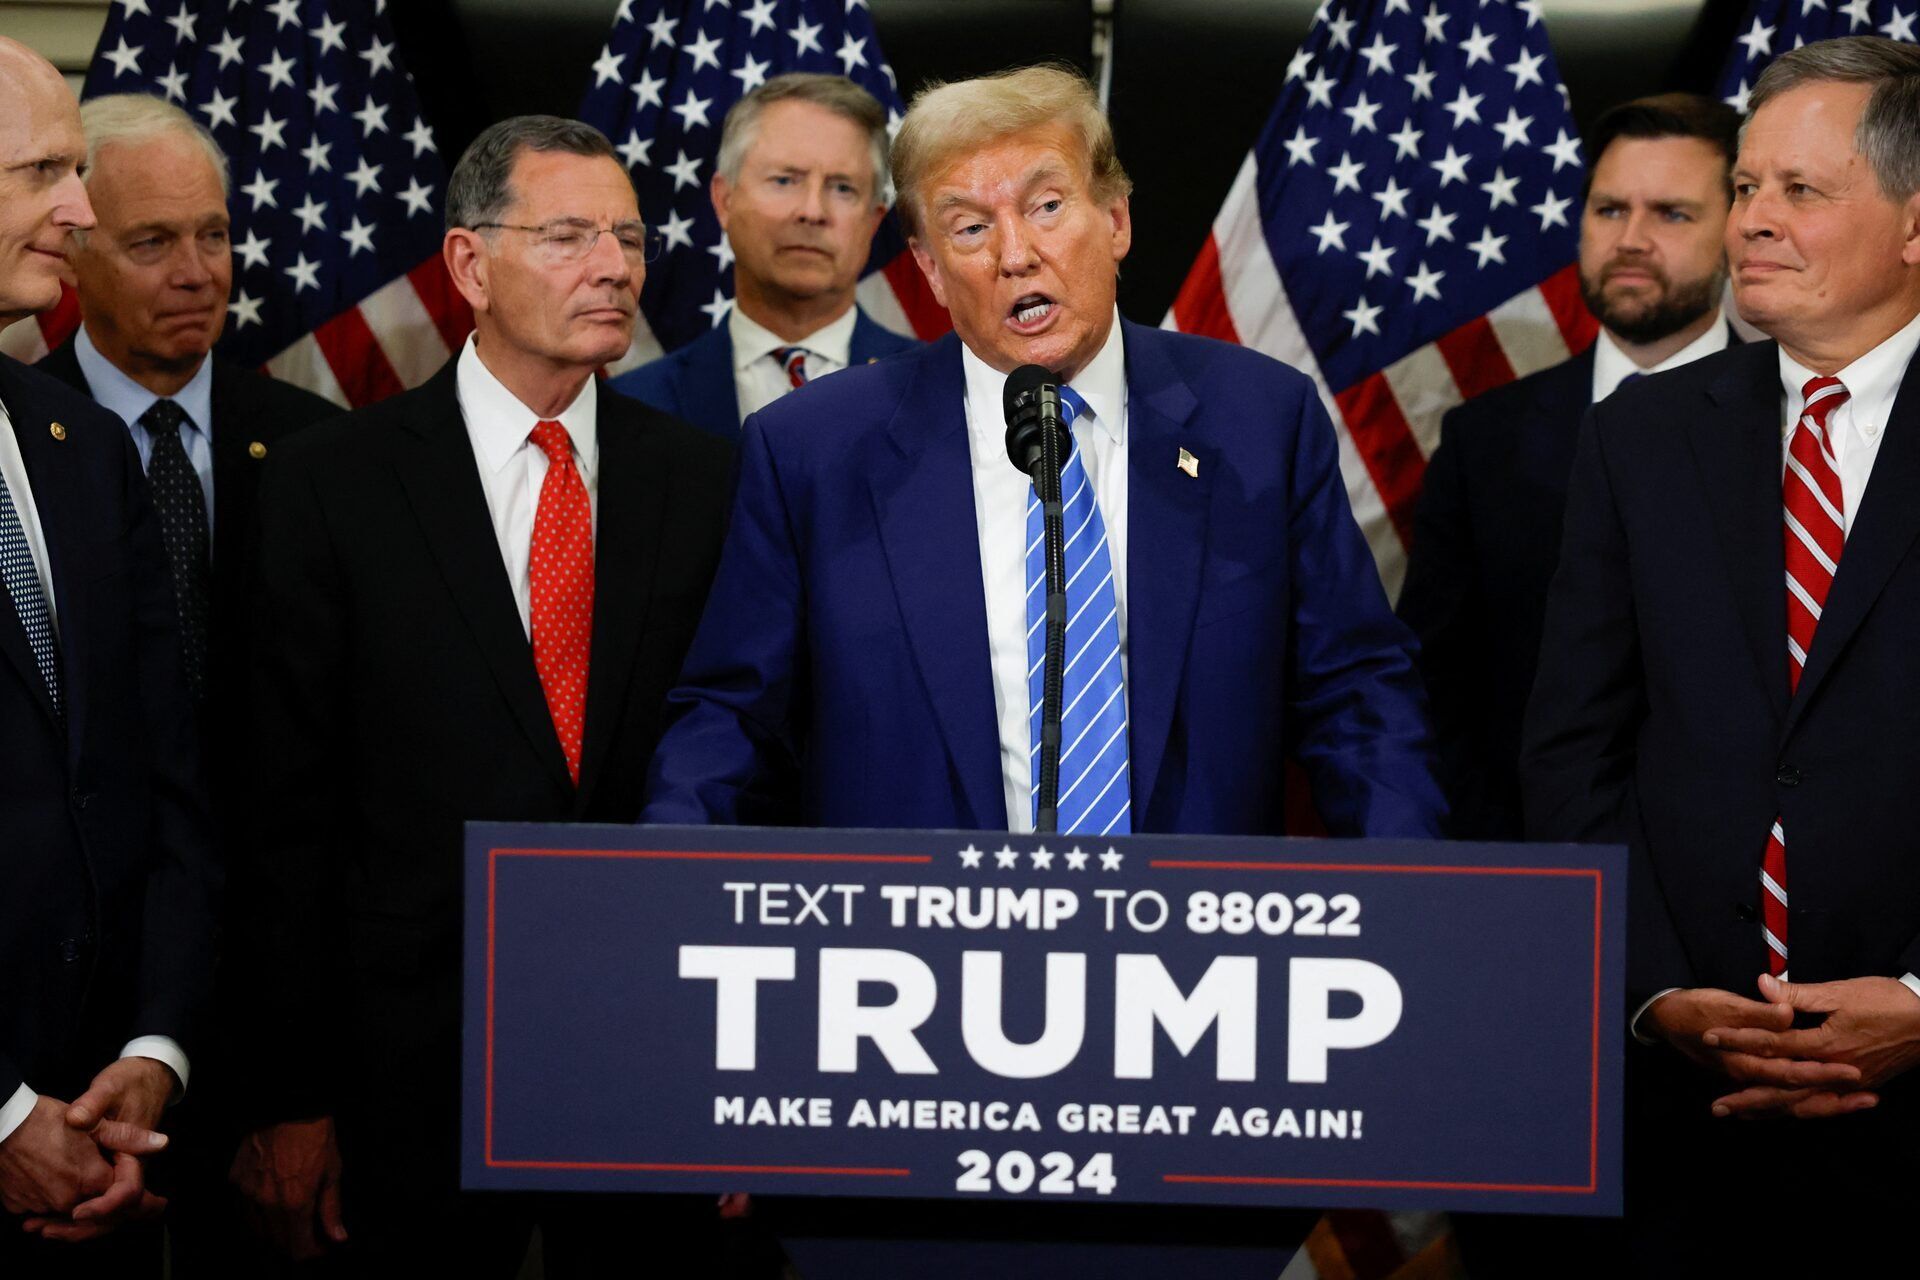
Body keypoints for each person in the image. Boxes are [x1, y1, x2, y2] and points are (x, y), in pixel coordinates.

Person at [644, 63, 1442, 842]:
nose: (1015, 254)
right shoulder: (813, 450)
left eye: (1048, 206)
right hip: (919, 944)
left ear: (1118, 220)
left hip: (1196, 942)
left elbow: (1355, 694)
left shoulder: (1260, 421)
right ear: (929, 268)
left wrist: (1418, 901)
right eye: (969, 228)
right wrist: (661, 888)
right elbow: (731, 716)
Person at [228, 116, 733, 1276]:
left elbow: (757, 773)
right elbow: (278, 820)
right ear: (468, 266)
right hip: (398, 1087)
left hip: (650, 1066)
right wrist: (293, 1100)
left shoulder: (708, 481)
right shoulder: (328, 486)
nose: (612, 264)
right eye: (567, 235)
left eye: (627, 236)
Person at [1523, 37, 1920, 1273]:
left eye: (1802, 191)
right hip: (1683, 1124)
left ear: (1916, 226)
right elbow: (1574, 747)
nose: (1754, 221)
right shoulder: (1641, 434)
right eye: (1747, 188)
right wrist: (1654, 993)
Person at [32, 92, 340, 1278]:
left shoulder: (326, 448)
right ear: (76, 247)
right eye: (153, 241)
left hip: (270, 1019)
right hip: (67, 1026)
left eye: (213, 235)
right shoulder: (26, 441)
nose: (197, 270)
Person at [0, 37, 218, 1277]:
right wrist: (3, 1113)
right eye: (43, 171)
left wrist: (155, 1049)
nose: (79, 210)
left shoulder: (79, 441)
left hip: (108, 1146)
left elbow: (165, 780)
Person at [1398, 93, 1741, 841]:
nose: (1632, 239)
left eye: (1673, 214)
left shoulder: (1799, 422)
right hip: (1528, 870)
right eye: (1610, 209)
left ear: (1736, 230)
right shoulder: (1484, 440)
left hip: (1755, 892)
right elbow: (1435, 686)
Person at [609, 73, 916, 440]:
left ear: (873, 220)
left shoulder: (939, 391)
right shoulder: (633, 404)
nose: (812, 211)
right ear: (724, 200)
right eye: (785, 180)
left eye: (842, 188)